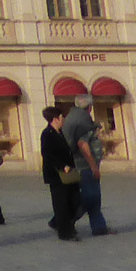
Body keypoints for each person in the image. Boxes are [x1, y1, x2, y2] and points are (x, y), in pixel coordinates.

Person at [61, 95, 115, 238]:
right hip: (85, 166)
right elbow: (82, 144)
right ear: (89, 107)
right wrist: (93, 167)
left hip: (81, 165)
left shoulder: (73, 117)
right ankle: (64, 220)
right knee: (89, 197)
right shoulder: (84, 122)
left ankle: (99, 227)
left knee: (94, 197)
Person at [40, 104, 81, 242]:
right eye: (61, 117)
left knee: (75, 200)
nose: (63, 120)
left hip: (69, 174)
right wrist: (62, 166)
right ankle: (65, 232)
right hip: (56, 175)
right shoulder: (47, 134)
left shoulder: (60, 132)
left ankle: (57, 222)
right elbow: (47, 154)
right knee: (61, 203)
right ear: (55, 119)